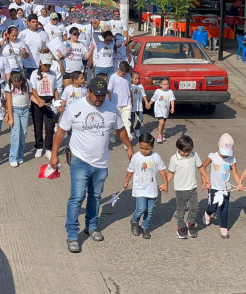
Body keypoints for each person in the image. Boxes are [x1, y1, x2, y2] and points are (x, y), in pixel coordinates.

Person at [49, 77, 134, 253]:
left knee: (95, 196)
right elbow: (61, 132)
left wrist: (129, 147)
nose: (100, 99)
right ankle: (72, 235)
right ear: (88, 92)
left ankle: (91, 226)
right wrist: (54, 154)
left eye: (103, 95)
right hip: (79, 160)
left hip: (101, 163)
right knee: (77, 197)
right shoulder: (74, 107)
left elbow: (120, 129)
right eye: (97, 95)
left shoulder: (111, 108)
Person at [123, 132, 168, 240]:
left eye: (147, 149)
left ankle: (145, 227)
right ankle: (135, 220)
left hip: (152, 189)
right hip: (140, 189)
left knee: (150, 210)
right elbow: (130, 171)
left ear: (152, 146)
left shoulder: (156, 156)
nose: (144, 151)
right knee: (141, 208)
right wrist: (126, 181)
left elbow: (162, 170)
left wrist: (165, 182)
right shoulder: (136, 157)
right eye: (141, 148)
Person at [200, 133, 243, 239]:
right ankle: (207, 213)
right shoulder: (212, 156)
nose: (225, 155)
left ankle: (224, 227)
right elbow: (202, 167)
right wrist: (204, 180)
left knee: (224, 209)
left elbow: (235, 173)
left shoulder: (232, 160)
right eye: (224, 152)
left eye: (227, 153)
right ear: (218, 146)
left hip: (226, 189)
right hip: (214, 187)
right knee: (212, 207)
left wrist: (239, 183)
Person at [167, 135, 205, 239]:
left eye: (188, 151)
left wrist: (207, 178)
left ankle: (191, 224)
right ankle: (181, 227)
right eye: (184, 152)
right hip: (180, 189)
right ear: (178, 148)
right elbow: (171, 173)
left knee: (194, 208)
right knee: (181, 209)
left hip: (192, 187)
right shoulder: (174, 159)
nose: (186, 154)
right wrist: (165, 183)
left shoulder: (194, 155)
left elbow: (200, 167)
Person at [29, 54, 62, 159]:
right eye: (45, 65)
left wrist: (58, 103)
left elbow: (55, 90)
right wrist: (38, 100)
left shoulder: (53, 74)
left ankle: (48, 148)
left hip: (50, 101)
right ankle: (39, 146)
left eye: (48, 65)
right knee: (37, 126)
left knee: (49, 127)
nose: (47, 67)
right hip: (38, 101)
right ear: (40, 63)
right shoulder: (34, 73)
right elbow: (33, 89)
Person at [4, 71, 31, 167]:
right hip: (14, 110)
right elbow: (9, 102)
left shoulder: (27, 82)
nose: (16, 85)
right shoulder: (9, 86)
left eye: (18, 84)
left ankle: (20, 155)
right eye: (14, 84)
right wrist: (10, 117)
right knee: (16, 133)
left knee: (23, 133)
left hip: (25, 109)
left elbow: (30, 95)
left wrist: (39, 102)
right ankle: (12, 157)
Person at [108, 61, 133, 141]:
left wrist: (131, 101)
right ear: (119, 69)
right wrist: (111, 102)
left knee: (127, 122)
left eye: (126, 73)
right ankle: (112, 135)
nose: (124, 75)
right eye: (123, 73)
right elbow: (109, 90)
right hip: (116, 104)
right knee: (114, 122)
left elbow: (130, 89)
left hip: (126, 103)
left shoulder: (128, 76)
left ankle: (127, 139)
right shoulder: (113, 77)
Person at [18, 14, 49, 78]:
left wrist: (43, 50)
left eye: (36, 22)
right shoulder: (23, 33)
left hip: (40, 65)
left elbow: (49, 48)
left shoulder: (43, 33)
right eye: (33, 22)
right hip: (27, 65)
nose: (35, 23)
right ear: (28, 23)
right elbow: (19, 47)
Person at [146, 78, 175, 144]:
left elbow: (172, 100)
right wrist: (149, 104)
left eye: (167, 84)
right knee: (161, 122)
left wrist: (172, 108)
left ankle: (161, 134)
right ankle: (159, 136)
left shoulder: (170, 92)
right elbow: (153, 98)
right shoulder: (157, 91)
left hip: (165, 110)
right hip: (158, 109)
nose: (166, 86)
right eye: (164, 84)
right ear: (160, 85)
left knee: (163, 123)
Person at [130, 71, 146, 139]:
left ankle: (137, 129)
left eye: (138, 79)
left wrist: (146, 102)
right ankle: (131, 130)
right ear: (132, 78)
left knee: (141, 119)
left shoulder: (140, 86)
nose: (137, 80)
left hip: (139, 107)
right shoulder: (130, 86)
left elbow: (143, 95)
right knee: (132, 120)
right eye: (135, 78)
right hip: (132, 107)